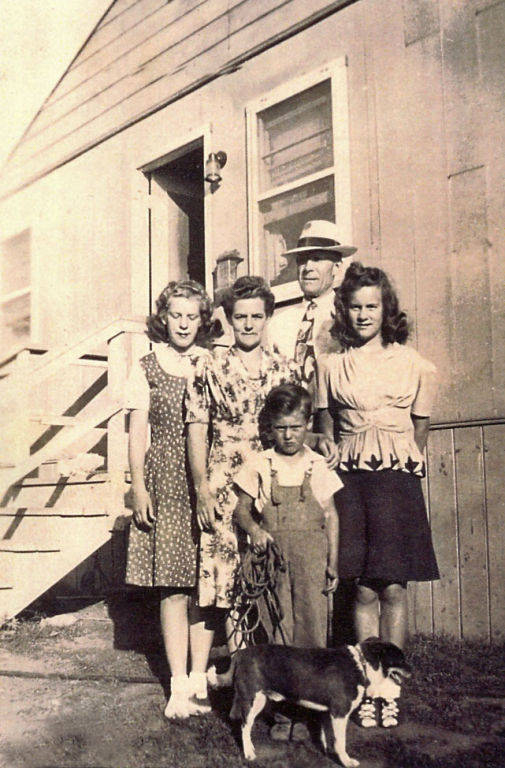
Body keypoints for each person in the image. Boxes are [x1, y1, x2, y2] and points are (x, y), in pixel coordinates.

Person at [185, 276, 337, 703]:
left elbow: (295, 424)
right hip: (223, 481)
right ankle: (232, 678)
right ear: (229, 319)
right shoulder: (209, 366)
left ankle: (269, 677)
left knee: (266, 577)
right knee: (226, 581)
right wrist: (201, 487)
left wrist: (317, 441)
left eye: (256, 316)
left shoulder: (284, 367)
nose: (248, 324)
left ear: (268, 317)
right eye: (240, 317)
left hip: (272, 479)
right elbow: (197, 429)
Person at [316, 262, 439, 729]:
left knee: (393, 586)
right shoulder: (330, 366)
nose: (364, 314)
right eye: (355, 306)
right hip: (352, 482)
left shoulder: (415, 364)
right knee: (363, 587)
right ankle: (368, 686)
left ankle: (392, 689)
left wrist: (396, 460)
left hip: (395, 481)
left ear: (386, 309)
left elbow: (419, 431)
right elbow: (326, 429)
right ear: (344, 311)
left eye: (372, 306)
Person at [124, 279, 215, 719]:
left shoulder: (212, 362)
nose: (183, 324)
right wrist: (139, 486)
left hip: (207, 479)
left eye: (191, 316)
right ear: (164, 318)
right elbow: (137, 432)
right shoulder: (146, 365)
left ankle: (200, 679)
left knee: (207, 583)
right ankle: (178, 685)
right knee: (174, 585)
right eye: (176, 315)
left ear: (202, 320)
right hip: (165, 480)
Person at [267, 220, 357, 390]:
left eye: (316, 259)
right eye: (302, 260)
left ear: (336, 267)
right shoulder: (279, 323)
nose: (308, 267)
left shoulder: (348, 317)